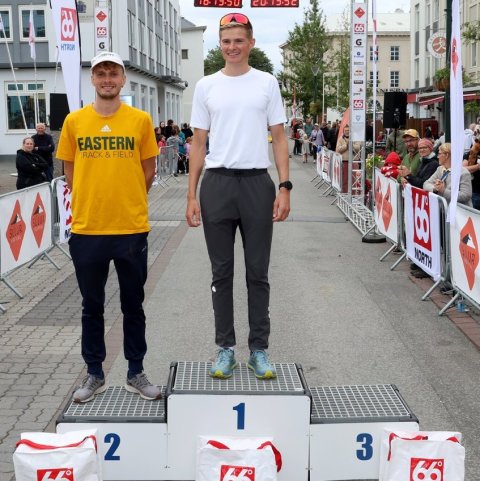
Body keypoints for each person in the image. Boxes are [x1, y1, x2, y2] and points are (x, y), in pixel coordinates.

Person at [186, 12, 290, 380]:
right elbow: (198, 143)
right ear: (220, 44)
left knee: (258, 273)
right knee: (221, 272)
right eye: (226, 41)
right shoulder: (206, 86)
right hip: (217, 184)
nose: (232, 47)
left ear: (251, 43)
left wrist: (284, 186)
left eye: (238, 40)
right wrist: (191, 195)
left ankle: (258, 350)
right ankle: (225, 349)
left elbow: (279, 137)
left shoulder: (266, 83)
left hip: (257, 184)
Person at [56, 51, 161, 403]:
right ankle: (94, 373)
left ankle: (136, 371)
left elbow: (149, 171)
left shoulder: (140, 120)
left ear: (122, 78)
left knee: (134, 304)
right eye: (101, 73)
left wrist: (127, 198)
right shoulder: (74, 122)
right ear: (93, 79)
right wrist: (91, 197)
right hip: (87, 229)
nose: (107, 79)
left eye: (112, 73)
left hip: (130, 228)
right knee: (92, 306)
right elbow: (70, 172)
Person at [423, 142, 472, 207]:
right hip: (444, 210)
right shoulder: (440, 169)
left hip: (459, 214)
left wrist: (443, 191)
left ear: (446, 155)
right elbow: (426, 184)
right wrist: (435, 189)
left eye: (439, 154)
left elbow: (466, 196)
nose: (437, 157)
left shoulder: (463, 172)